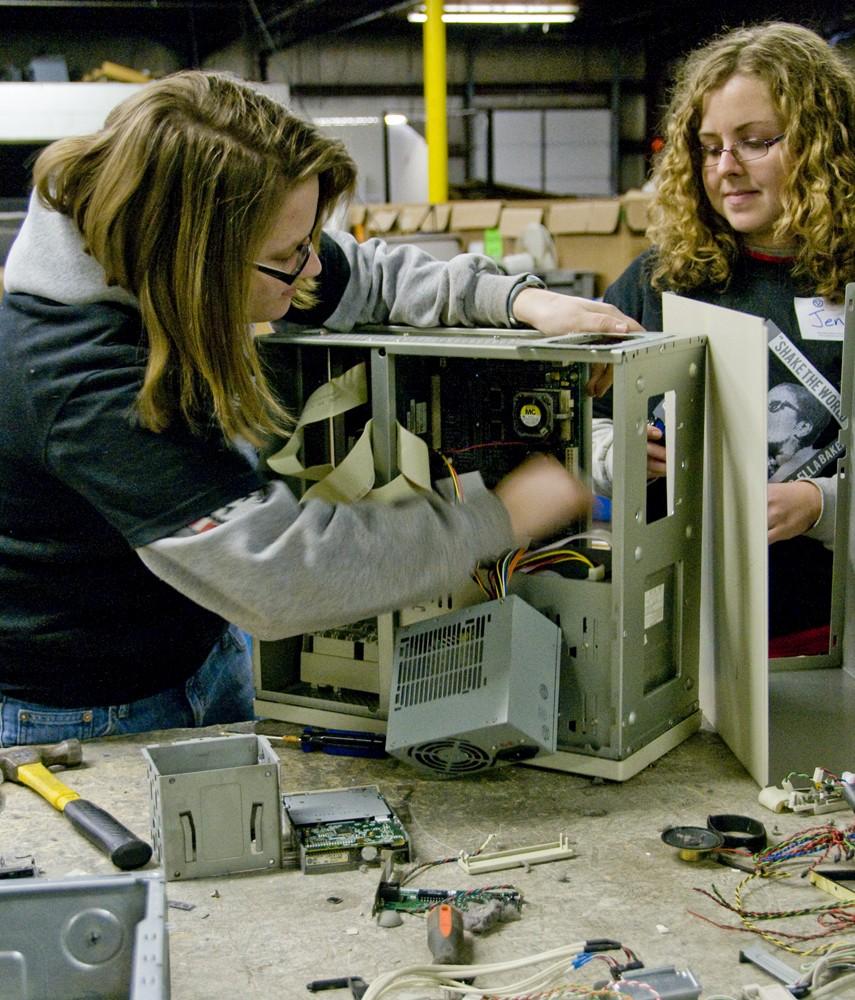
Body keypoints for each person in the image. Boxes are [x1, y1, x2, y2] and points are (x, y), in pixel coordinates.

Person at [0, 70, 641, 747]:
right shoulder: (83, 380)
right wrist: (500, 515)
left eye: (307, 242)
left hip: (201, 646)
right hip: (82, 712)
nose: (309, 270)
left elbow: (365, 274)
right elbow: (279, 576)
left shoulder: (169, 245)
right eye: (285, 257)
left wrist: (514, 301)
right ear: (197, 264)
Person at [592, 21, 855, 652]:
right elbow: (581, 421)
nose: (726, 169)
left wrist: (820, 505)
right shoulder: (658, 283)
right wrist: (615, 453)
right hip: (681, 632)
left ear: (824, 144)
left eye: (755, 142)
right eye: (709, 148)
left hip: (827, 637)